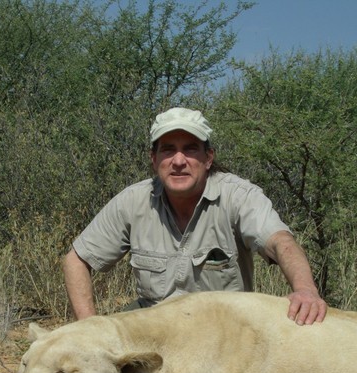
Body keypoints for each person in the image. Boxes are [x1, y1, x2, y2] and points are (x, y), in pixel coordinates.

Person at [63, 107, 326, 324]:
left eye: (190, 149)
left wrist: (305, 290)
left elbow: (281, 242)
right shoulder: (133, 201)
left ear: (208, 158)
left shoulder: (238, 196)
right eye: (168, 150)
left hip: (221, 331)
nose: (179, 161)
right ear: (154, 159)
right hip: (152, 327)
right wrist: (89, 328)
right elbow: (76, 260)